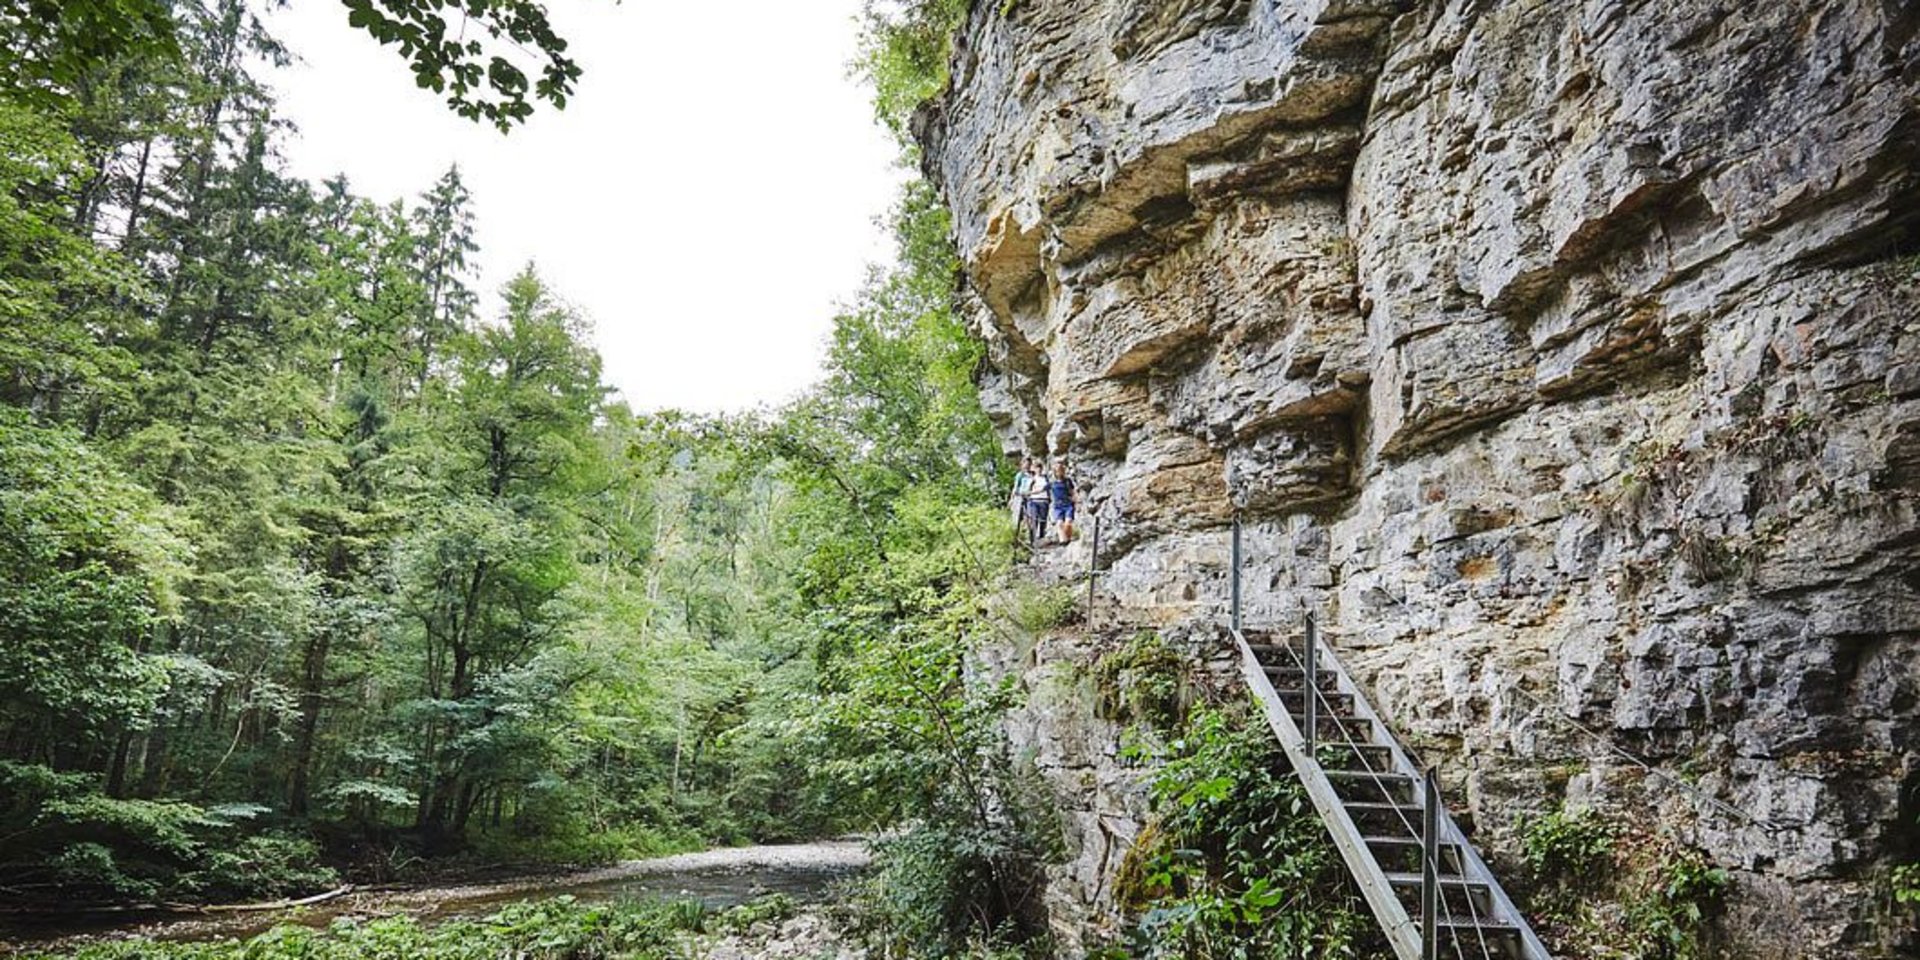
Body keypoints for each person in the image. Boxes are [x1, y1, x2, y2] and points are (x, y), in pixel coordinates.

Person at [1048, 459, 1077, 544]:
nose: (1059, 472)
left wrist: (1076, 499)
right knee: (1060, 524)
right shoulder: (1052, 483)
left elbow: (1072, 491)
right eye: (1057, 471)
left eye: (1060, 470)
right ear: (1055, 472)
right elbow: (1041, 489)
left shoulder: (1067, 481)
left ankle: (1067, 538)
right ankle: (1063, 541)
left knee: (1068, 523)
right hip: (1058, 506)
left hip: (1068, 504)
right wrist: (1029, 493)